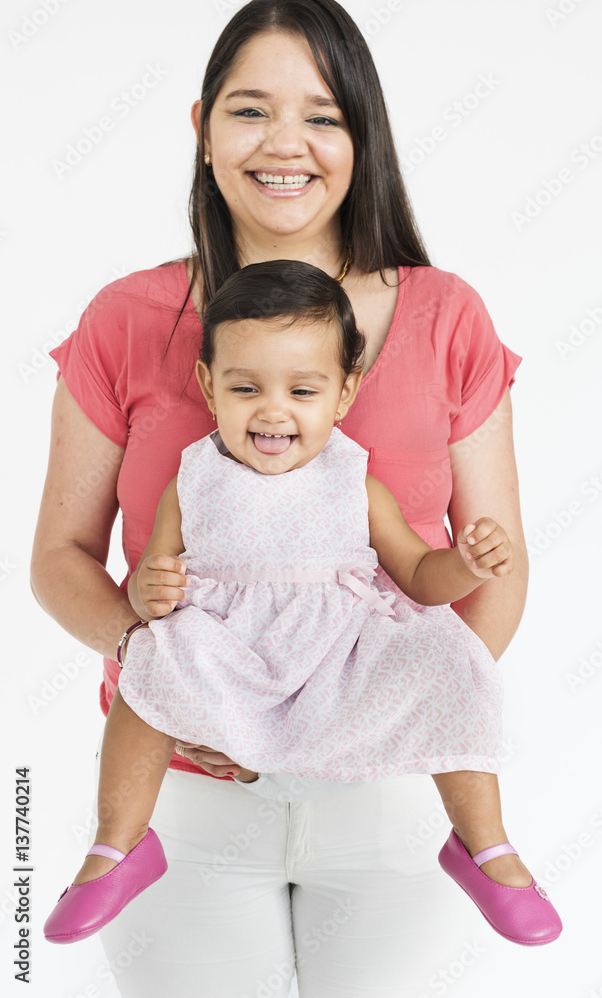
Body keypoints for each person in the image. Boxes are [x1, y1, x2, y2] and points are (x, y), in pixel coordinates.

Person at [32, 0, 549, 992]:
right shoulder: (127, 317)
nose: (286, 145)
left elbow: (498, 556)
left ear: (363, 135)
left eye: (322, 115)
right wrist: (175, 683)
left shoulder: (445, 314)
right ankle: (112, 845)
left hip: (391, 786)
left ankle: (484, 847)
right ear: (201, 128)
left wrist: (388, 702)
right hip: (186, 790)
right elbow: (60, 561)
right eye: (249, 109)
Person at [42, 260, 562, 949]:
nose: (273, 409)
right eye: (246, 387)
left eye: (303, 389)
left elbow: (415, 574)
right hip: (227, 645)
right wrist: (148, 592)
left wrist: (462, 566)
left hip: (337, 646)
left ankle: (484, 846)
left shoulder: (355, 482)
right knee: (150, 663)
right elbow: (150, 581)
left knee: (445, 657)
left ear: (343, 395)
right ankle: (117, 846)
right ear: (209, 386)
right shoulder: (192, 479)